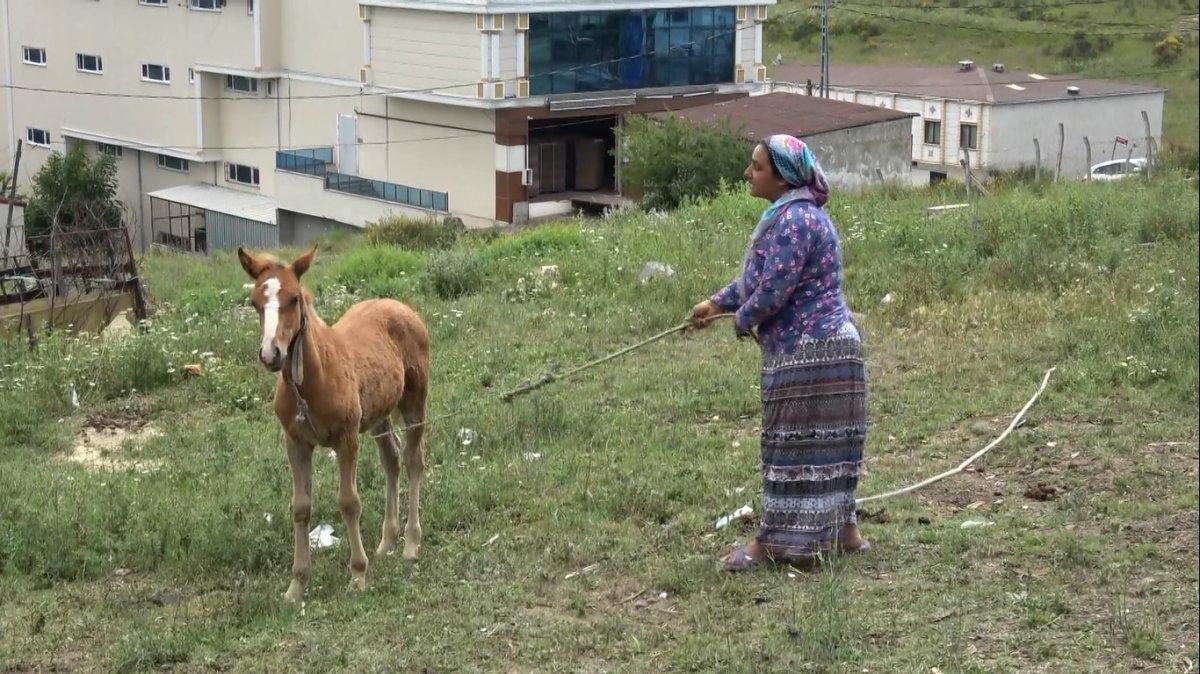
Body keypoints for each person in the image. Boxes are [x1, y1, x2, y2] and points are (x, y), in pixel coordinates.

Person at [690, 134, 869, 570]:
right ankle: (845, 533)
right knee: (833, 446)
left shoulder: (794, 222)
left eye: (757, 167)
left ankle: (773, 544)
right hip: (833, 349)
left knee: (788, 449)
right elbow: (758, 282)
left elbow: (773, 291)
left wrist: (741, 319)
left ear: (783, 177)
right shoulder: (797, 217)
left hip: (808, 353)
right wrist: (716, 303)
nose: (748, 173)